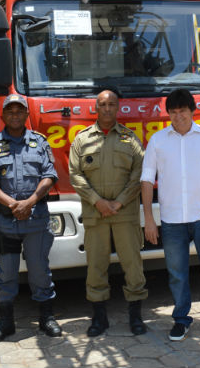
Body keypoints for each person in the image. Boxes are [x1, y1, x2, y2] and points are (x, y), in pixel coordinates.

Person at [141, 88, 200, 341]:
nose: (178, 116)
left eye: (182, 110)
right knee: (177, 273)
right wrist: (149, 218)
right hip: (171, 222)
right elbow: (147, 181)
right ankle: (181, 319)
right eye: (173, 111)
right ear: (168, 113)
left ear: (193, 110)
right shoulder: (158, 141)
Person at [0, 93, 62, 344]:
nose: (15, 115)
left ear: (26, 114)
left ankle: (47, 319)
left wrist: (30, 201)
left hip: (36, 220)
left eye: (19, 111)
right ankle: (6, 324)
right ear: (2, 116)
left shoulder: (39, 142)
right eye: (10, 111)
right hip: (6, 222)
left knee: (39, 272)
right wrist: (12, 203)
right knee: (6, 274)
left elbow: (50, 175)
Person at [69, 88, 147, 336]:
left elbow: (139, 176)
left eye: (112, 104)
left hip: (125, 214)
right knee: (96, 267)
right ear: (96, 107)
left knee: (133, 266)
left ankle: (136, 317)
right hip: (96, 214)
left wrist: (119, 202)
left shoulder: (130, 139)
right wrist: (98, 201)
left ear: (118, 107)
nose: (107, 109)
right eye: (102, 104)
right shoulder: (82, 139)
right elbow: (75, 175)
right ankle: (99, 318)